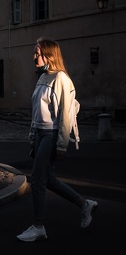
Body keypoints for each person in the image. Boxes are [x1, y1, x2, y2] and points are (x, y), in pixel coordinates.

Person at [17, 37, 98, 242]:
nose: (34, 56)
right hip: (41, 134)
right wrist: (32, 136)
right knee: (49, 180)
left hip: (52, 134)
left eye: (38, 52)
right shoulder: (42, 77)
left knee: (36, 179)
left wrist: (62, 143)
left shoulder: (61, 78)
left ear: (49, 55)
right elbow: (37, 111)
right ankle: (84, 204)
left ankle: (38, 226)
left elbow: (65, 114)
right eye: (35, 52)